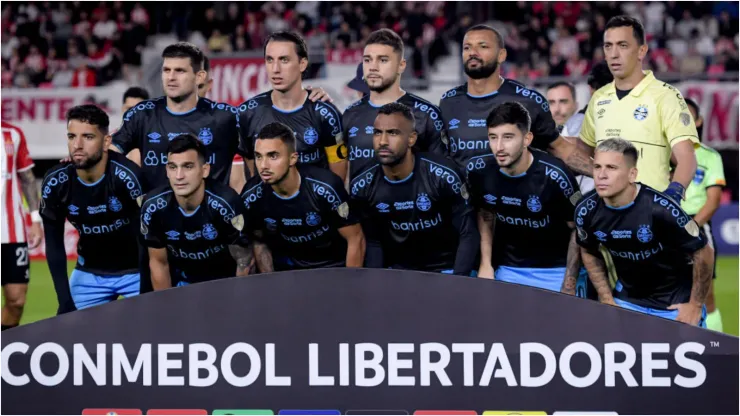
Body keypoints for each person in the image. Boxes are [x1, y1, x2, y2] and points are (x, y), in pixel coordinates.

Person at [576, 138, 713, 327]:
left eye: (611, 168)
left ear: (632, 174)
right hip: (628, 302)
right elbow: (588, 250)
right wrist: (607, 298)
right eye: (597, 167)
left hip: (674, 305)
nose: (602, 175)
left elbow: (704, 251)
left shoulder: (662, 209)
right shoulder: (586, 211)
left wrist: (695, 305)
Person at [438, 25, 594, 177]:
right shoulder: (448, 102)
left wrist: (601, 174)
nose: (473, 52)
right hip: (463, 202)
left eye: (483, 46)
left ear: (502, 55)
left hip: (515, 200)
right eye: (467, 48)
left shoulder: (527, 100)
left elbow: (560, 148)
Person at [579, 16, 699, 203]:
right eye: (608, 46)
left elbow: (687, 158)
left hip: (650, 216)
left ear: (641, 51)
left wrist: (672, 196)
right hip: (607, 218)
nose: (613, 54)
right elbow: (582, 152)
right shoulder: (598, 98)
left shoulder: (665, 96)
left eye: (623, 45)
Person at [350, 103, 479, 275]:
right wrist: (377, 283)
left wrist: (458, 281)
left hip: (446, 267)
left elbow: (468, 233)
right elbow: (374, 242)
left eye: (393, 133)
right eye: (377, 133)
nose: (382, 141)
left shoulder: (443, 175)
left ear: (411, 138)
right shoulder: (362, 184)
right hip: (399, 271)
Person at [469, 102, 583, 295]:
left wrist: (569, 282)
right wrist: (486, 264)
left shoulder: (556, 175)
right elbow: (486, 215)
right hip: (509, 270)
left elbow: (578, 230)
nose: (499, 147)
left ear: (527, 139)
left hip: (555, 271)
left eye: (508, 137)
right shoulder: (480, 171)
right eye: (493, 137)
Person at [40, 105, 143, 313]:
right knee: (69, 337)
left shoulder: (128, 177)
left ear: (106, 142)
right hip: (89, 274)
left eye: (87, 137)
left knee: (154, 335)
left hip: (137, 273)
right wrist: (64, 301)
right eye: (71, 136)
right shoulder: (56, 182)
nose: (77, 145)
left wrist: (150, 287)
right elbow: (54, 245)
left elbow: (151, 237)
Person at [112, 42, 243, 193]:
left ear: (199, 77)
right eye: (166, 70)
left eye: (179, 71)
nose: (171, 77)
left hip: (210, 215)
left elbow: (256, 157)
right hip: (156, 214)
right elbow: (108, 158)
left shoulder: (225, 117)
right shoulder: (142, 114)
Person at [241, 122, 366, 271]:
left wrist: (351, 286)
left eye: (273, 156)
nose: (263, 165)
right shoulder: (251, 196)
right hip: (290, 268)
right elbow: (259, 242)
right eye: (258, 157)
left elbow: (355, 238)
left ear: (293, 158)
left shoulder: (326, 188)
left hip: (334, 266)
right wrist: (270, 285)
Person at [141, 134, 252, 289]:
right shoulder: (152, 206)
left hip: (224, 283)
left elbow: (244, 261)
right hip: (183, 283)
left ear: (205, 170)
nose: (179, 176)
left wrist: (236, 301)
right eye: (173, 167)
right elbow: (159, 262)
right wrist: (165, 307)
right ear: (167, 170)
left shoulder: (227, 205)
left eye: (188, 166)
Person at [238, 31, 348, 182]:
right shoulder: (247, 113)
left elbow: (338, 175)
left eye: (284, 60)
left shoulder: (326, 114)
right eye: (270, 60)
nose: (275, 69)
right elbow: (250, 171)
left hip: (314, 205)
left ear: (302, 64)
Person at [343, 29, 447, 183]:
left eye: (383, 60)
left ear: (401, 65)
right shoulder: (349, 114)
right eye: (367, 60)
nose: (373, 67)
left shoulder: (426, 114)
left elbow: (443, 175)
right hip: (362, 207)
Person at [681, 98, 726, 332]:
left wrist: (691, 226)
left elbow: (714, 200)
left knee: (706, 296)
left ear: (698, 121)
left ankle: (717, 347)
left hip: (697, 227)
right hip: (666, 229)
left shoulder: (710, 157)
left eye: (688, 117)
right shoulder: (661, 155)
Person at [1, 121, 42, 330]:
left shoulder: (13, 134)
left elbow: (27, 178)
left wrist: (35, 219)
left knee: (16, 300)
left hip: (12, 232)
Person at [119, 86, 150, 167]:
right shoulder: (110, 140)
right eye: (130, 108)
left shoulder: (160, 138)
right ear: (123, 109)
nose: (134, 113)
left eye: (139, 109)